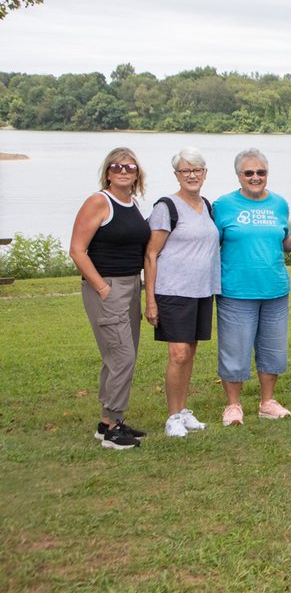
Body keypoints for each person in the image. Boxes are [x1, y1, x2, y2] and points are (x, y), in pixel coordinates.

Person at [70, 148, 151, 450]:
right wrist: (102, 288)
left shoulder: (131, 203)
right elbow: (77, 250)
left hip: (131, 286)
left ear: (136, 173)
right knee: (122, 356)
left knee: (118, 355)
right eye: (117, 166)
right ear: (107, 172)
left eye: (129, 166)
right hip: (107, 287)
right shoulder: (98, 202)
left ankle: (108, 423)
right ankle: (113, 429)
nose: (123, 171)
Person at [213, 149, 291, 426]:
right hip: (236, 290)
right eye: (249, 173)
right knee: (235, 350)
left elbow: (282, 239)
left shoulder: (279, 204)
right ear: (239, 175)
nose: (255, 177)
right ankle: (233, 405)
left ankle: (267, 402)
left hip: (275, 289)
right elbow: (210, 243)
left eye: (260, 172)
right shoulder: (223, 205)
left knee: (273, 351)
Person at [143, 147, 220, 438]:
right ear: (176, 174)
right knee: (177, 354)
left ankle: (184, 410)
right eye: (185, 170)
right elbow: (151, 255)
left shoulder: (207, 205)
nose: (192, 175)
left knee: (189, 353)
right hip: (173, 292)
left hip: (201, 291)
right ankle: (172, 416)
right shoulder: (167, 208)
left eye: (197, 170)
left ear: (205, 173)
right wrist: (150, 300)